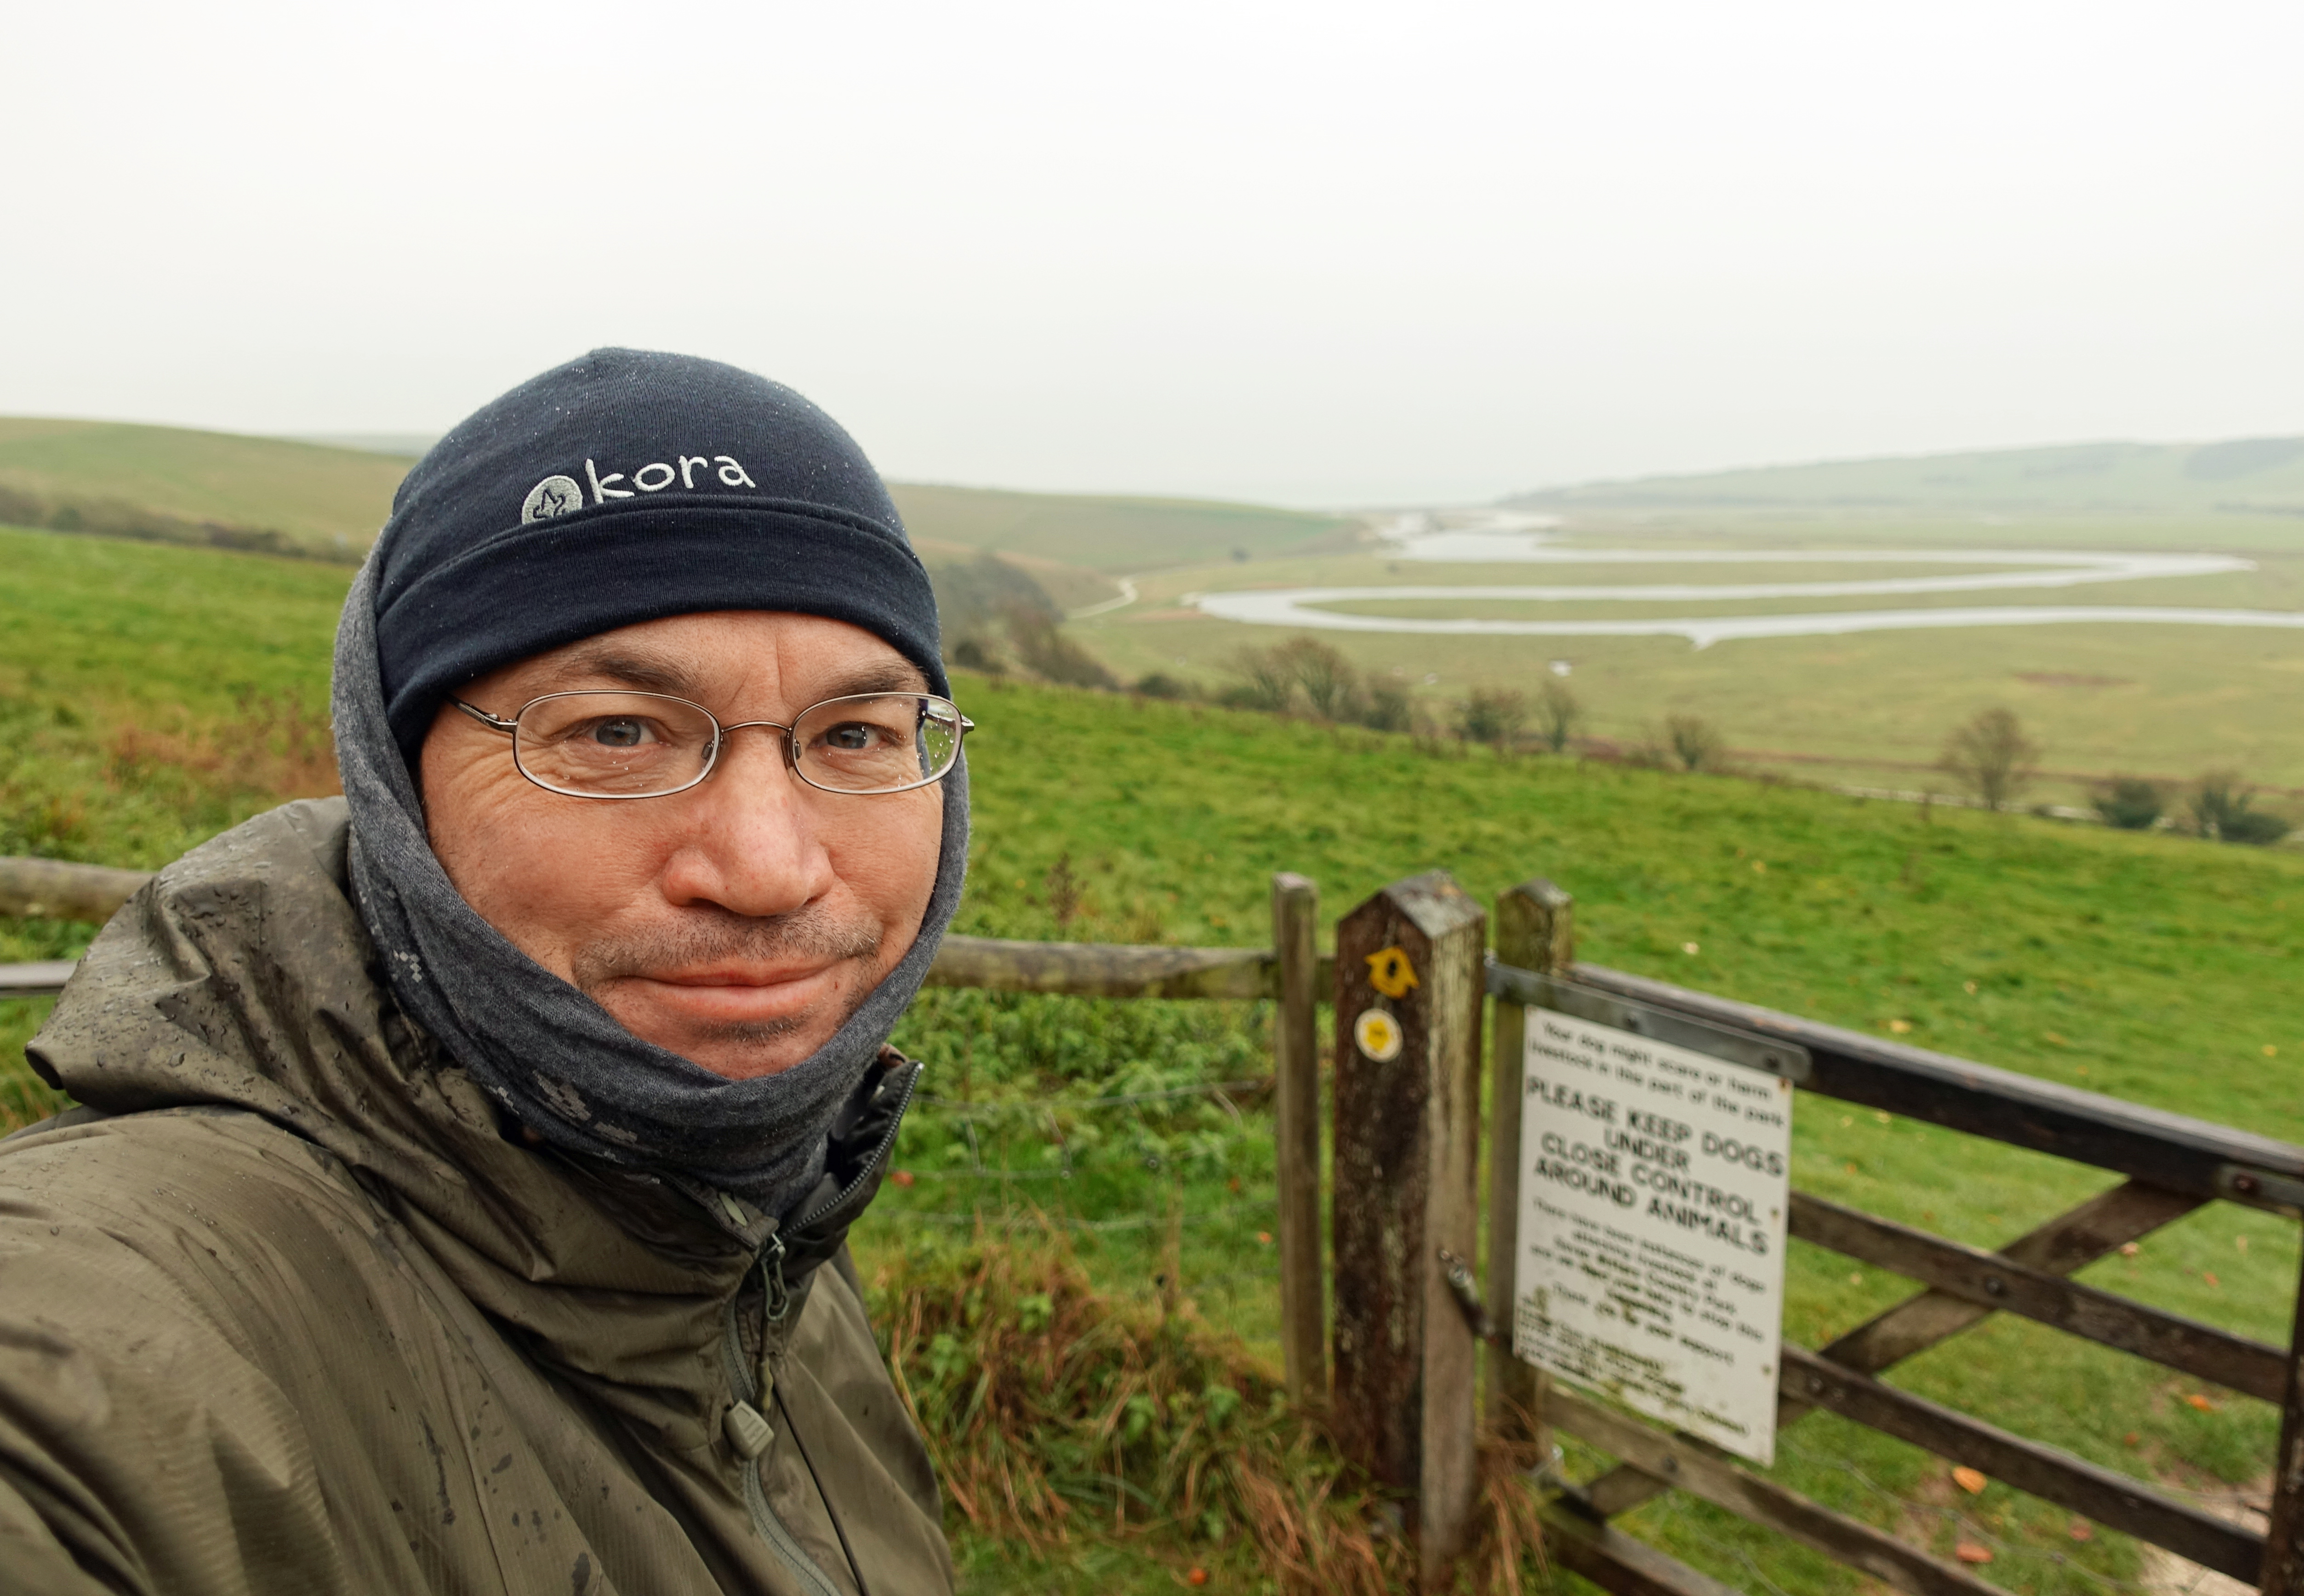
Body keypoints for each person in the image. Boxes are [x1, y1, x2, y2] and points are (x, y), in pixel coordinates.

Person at [0, 350, 971, 1595]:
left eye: (852, 735)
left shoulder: (757, 1237)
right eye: (615, 732)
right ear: (401, 787)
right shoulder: (116, 1330)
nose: (768, 867)